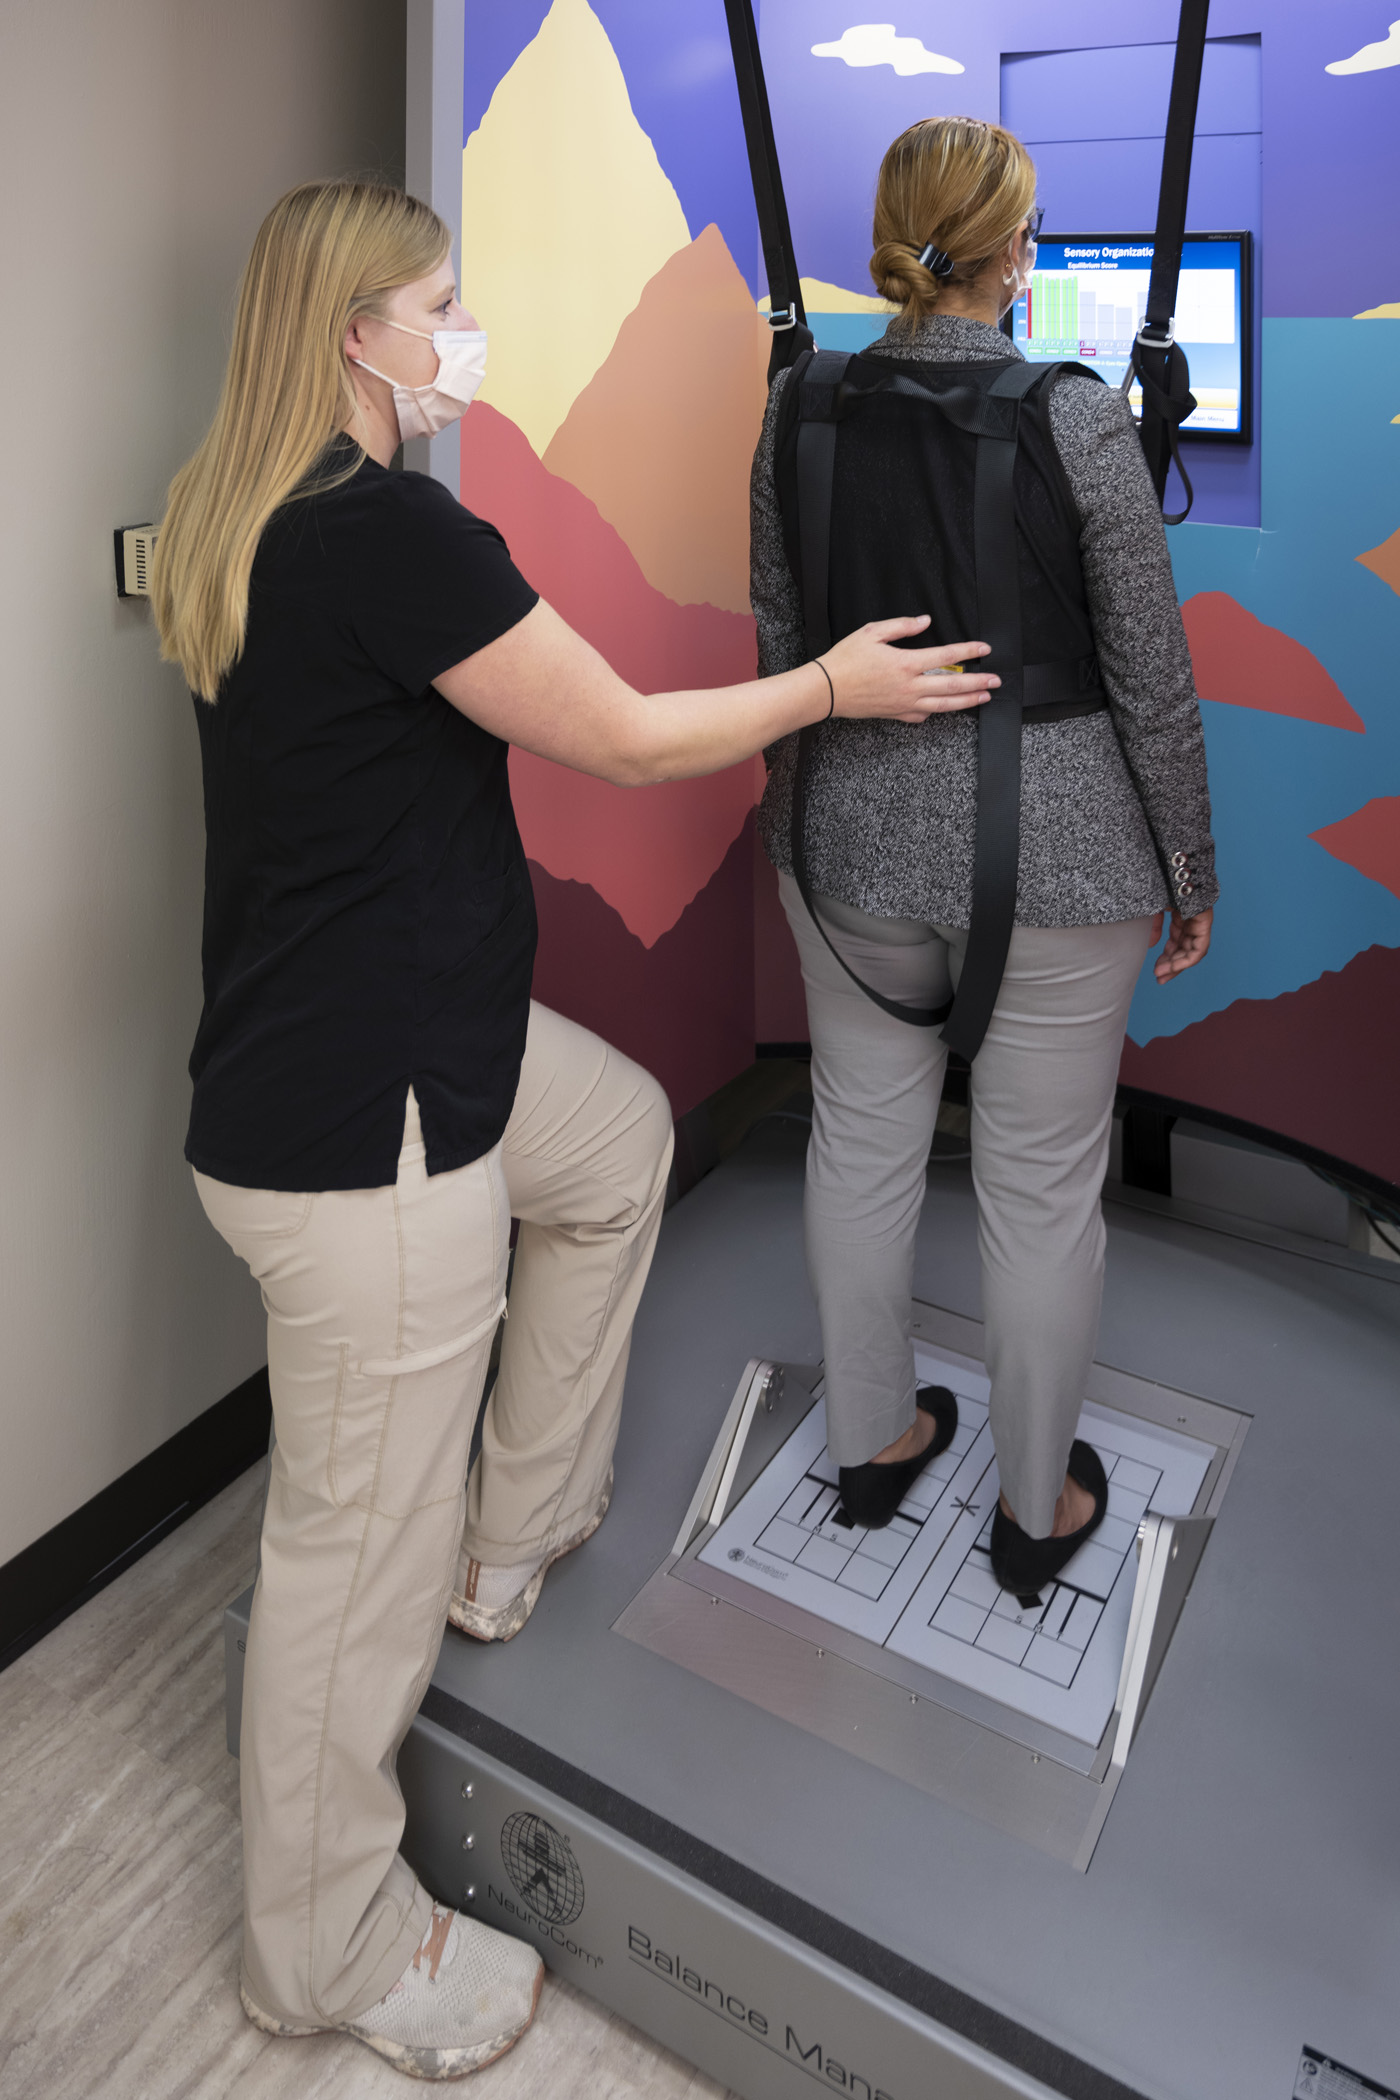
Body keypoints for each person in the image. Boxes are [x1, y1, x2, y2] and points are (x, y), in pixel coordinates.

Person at [151, 179, 998, 2081]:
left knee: (612, 1149)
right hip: (364, 1134)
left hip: (364, 1044)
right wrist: (837, 687)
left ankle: (505, 1537)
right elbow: (618, 732)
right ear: (356, 333)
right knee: (344, 1567)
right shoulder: (388, 535)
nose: (461, 334)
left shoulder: (243, 510)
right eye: (438, 305)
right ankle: (324, 1950)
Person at [750, 118, 1216, 1595]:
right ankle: (1033, 1509)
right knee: (1040, 1189)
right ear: (1016, 252)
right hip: (1061, 859)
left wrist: (802, 816)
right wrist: (1190, 868)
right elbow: (1151, 674)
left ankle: (872, 1442)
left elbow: (784, 642)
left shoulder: (799, 403)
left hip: (844, 841)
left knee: (858, 1141)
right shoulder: (1076, 415)